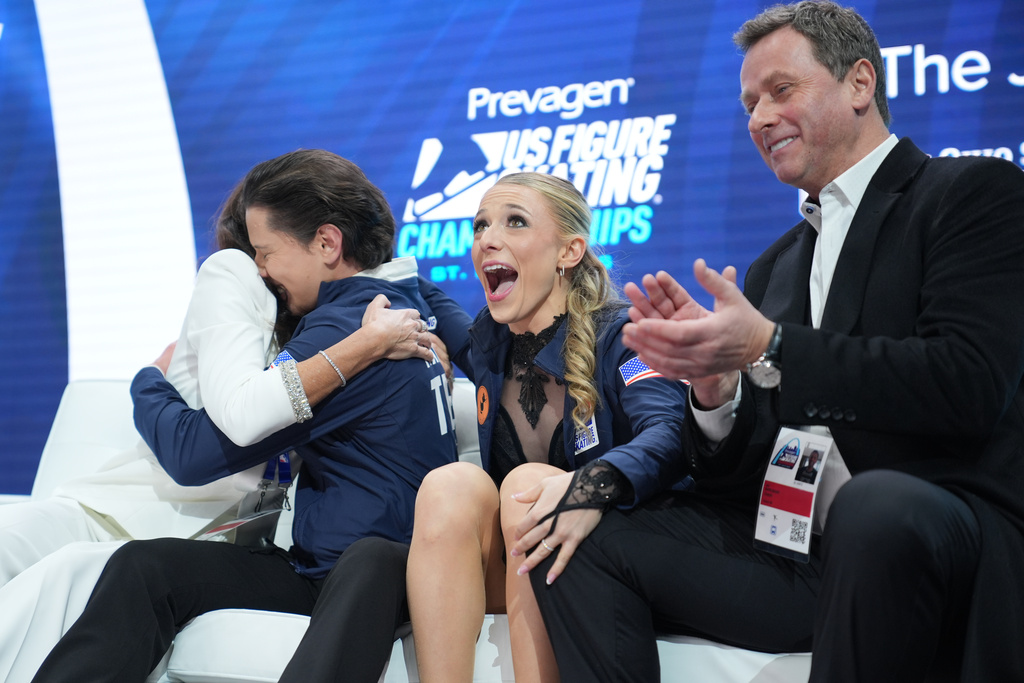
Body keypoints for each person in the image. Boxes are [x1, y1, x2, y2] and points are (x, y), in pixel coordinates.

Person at [527, 2, 1024, 682]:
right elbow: (742, 466)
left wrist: (770, 344)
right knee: (576, 532)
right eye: (749, 103)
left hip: (928, 534)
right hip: (792, 550)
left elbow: (967, 384)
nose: (759, 118)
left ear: (859, 83)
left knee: (874, 508)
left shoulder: (969, 194)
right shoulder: (774, 265)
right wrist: (715, 390)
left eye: (780, 91)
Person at [30, 149, 473, 683]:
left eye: (264, 252)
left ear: (327, 243)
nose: (260, 271)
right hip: (319, 567)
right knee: (145, 568)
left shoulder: (342, 331)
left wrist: (148, 382)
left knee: (362, 562)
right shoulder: (399, 298)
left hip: (369, 574)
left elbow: (194, 454)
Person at [406, 172, 689, 683]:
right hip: (523, 568)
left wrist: (588, 486)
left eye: (514, 222)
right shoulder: (488, 343)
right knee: (449, 485)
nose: (487, 238)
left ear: (569, 251)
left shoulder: (623, 339)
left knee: (523, 485)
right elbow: (423, 292)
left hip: (609, 570)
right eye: (480, 226)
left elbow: (670, 433)